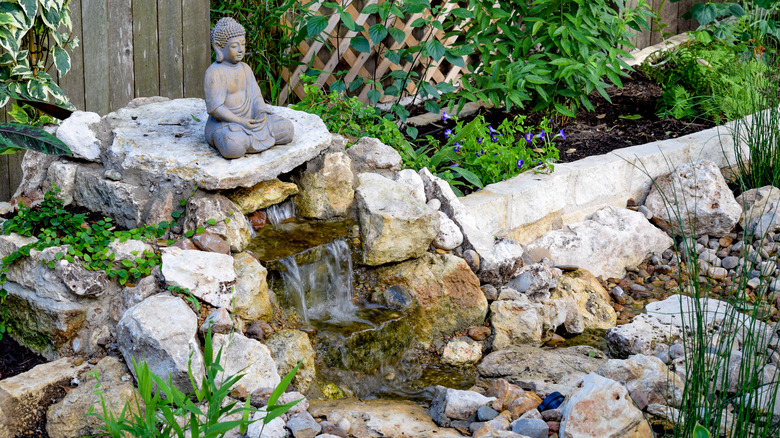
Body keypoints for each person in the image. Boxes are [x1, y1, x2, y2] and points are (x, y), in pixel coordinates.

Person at [204, 17, 294, 159]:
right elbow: (215, 109)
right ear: (218, 47)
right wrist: (240, 121)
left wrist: (260, 114)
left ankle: (250, 140)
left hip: (251, 121)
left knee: (287, 128)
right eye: (234, 46)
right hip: (225, 125)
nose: (241, 50)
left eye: (243, 44)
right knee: (234, 145)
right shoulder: (214, 72)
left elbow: (256, 97)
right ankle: (244, 142)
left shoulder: (245, 69)